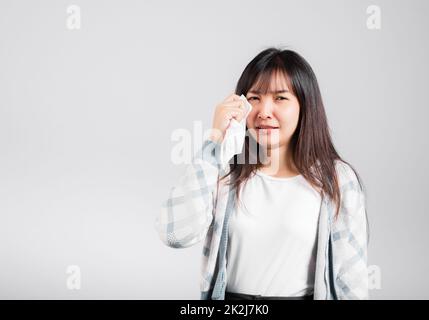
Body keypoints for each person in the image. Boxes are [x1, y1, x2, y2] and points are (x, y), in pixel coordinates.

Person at [155, 47, 370, 300]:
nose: (264, 111)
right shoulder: (225, 173)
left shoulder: (336, 180)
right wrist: (214, 142)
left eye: (280, 98)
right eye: (255, 98)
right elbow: (174, 234)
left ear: (305, 106)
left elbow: (351, 280)